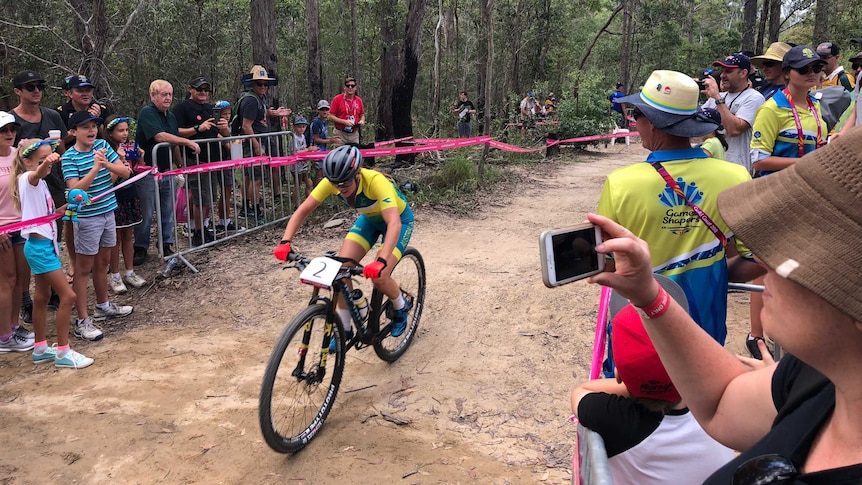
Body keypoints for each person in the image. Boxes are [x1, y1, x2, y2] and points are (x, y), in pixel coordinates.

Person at [585, 127, 862, 483]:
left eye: (795, 250)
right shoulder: (819, 376)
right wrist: (649, 297)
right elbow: (721, 404)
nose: (762, 259)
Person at [600, 70, 754, 346]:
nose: (636, 123)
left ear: (653, 124)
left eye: (637, 115)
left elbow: (608, 265)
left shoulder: (620, 184)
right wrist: (710, 275)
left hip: (639, 326)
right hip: (705, 327)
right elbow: (756, 258)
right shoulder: (736, 177)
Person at [572, 291, 733, 484]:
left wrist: (635, 384)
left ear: (618, 375)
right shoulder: (723, 403)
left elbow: (581, 391)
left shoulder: (619, 421)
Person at [273, 145, 415, 350]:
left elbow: (394, 223)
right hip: (370, 220)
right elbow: (303, 210)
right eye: (336, 183)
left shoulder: (375, 181)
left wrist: (381, 260)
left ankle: (401, 305)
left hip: (399, 221)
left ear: (357, 173)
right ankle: (346, 327)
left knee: (380, 275)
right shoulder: (331, 183)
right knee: (340, 271)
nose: (341, 187)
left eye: (346, 181)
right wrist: (285, 242)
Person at [744, 45, 828, 360]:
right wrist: (804, 166)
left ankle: (790, 333)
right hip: (773, 200)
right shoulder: (771, 109)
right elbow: (759, 161)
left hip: (805, 200)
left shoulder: (816, 106)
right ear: (787, 73)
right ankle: (756, 337)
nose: (812, 74)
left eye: (816, 68)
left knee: (795, 269)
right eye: (804, 69)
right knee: (764, 268)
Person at [11, 139, 91, 368]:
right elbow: (36, 175)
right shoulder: (27, 179)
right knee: (69, 296)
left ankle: (40, 348)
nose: (49, 167)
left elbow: (43, 212)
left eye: (50, 162)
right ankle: (64, 352)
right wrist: (46, 163)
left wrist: (61, 210)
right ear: (27, 162)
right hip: (39, 249)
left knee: (42, 297)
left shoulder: (40, 183)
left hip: (44, 246)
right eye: (43, 161)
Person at [62, 111, 135, 341]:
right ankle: (83, 321)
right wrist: (96, 168)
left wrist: (106, 163)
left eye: (94, 125)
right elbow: (75, 192)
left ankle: (103, 307)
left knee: (103, 263)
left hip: (107, 212)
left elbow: (125, 171)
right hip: (86, 218)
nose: (91, 130)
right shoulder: (69, 158)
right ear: (73, 132)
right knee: (84, 268)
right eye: (85, 127)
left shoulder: (103, 144)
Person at [10, 70, 69, 318]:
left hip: (52, 185)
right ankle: (25, 299)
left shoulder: (53, 115)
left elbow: (63, 147)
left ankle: (50, 288)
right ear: (18, 91)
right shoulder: (11, 121)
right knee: (27, 245)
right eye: (30, 86)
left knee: (53, 237)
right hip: (22, 189)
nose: (36, 90)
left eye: (40, 86)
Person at [134, 79, 201, 263]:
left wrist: (179, 164)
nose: (168, 98)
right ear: (153, 96)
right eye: (164, 94)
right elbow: (160, 136)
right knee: (146, 212)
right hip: (147, 171)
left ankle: (166, 243)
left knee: (167, 210)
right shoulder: (147, 112)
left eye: (170, 94)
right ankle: (140, 247)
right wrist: (187, 142)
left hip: (167, 170)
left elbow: (173, 140)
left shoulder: (170, 116)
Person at [174, 76, 230, 246]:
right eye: (200, 89)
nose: (203, 93)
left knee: (208, 196)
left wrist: (225, 130)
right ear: (190, 89)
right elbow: (175, 132)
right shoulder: (182, 108)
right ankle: (197, 232)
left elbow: (220, 134)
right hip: (194, 158)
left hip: (212, 159)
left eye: (206, 90)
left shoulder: (210, 108)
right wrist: (198, 128)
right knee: (199, 196)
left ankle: (203, 227)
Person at [237, 65, 291, 221]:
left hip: (258, 140)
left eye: (265, 84)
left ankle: (247, 208)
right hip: (253, 144)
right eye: (259, 84)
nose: (262, 87)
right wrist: (257, 146)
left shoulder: (259, 99)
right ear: (252, 84)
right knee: (256, 179)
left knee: (249, 177)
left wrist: (274, 113)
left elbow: (262, 114)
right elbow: (246, 125)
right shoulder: (250, 100)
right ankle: (255, 211)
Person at [0, 112, 35, 353]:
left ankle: (13, 326)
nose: (9, 134)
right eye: (3, 131)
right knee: (6, 281)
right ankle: (3, 337)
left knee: (20, 281)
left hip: (21, 225)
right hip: (2, 230)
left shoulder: (17, 156)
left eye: (12, 129)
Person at [103, 115, 147, 291]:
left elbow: (137, 169)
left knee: (128, 235)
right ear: (110, 132)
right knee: (114, 238)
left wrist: (141, 158)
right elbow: (109, 180)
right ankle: (115, 275)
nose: (124, 133)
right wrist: (119, 161)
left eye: (126, 130)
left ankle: (130, 272)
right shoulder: (105, 150)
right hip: (114, 197)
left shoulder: (130, 147)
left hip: (129, 194)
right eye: (120, 130)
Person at [701, 52, 766, 171]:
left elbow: (734, 130)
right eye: (722, 71)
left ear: (743, 73)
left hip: (738, 168)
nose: (722, 75)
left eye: (729, 71)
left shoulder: (754, 98)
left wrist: (716, 98)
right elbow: (695, 123)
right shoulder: (718, 97)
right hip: (715, 167)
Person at [55, 74, 112, 147]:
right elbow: (58, 142)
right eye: (80, 91)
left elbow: (110, 137)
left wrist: (97, 121)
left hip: (99, 152)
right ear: (69, 93)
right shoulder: (60, 112)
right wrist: (81, 126)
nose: (85, 94)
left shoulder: (101, 109)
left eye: (88, 91)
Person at [832, 51, 862, 139]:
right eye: (855, 66)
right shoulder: (860, 79)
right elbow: (856, 112)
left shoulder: (844, 78)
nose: (859, 69)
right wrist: (842, 134)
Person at [287, 116, 317, 204]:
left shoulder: (303, 136)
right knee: (297, 184)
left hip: (303, 164)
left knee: (309, 183)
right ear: (294, 127)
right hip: (296, 166)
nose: (301, 129)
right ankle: (297, 204)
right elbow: (295, 152)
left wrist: (310, 153)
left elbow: (303, 149)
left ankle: (309, 202)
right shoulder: (294, 138)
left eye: (303, 126)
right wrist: (308, 150)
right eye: (299, 126)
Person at [329, 77, 365, 145]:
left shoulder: (359, 100)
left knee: (354, 154)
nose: (350, 87)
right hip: (340, 133)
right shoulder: (337, 99)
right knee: (340, 154)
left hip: (354, 134)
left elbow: (362, 115)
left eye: (352, 86)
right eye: (348, 86)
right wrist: (344, 121)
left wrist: (362, 121)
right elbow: (330, 116)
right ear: (344, 87)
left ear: (355, 88)